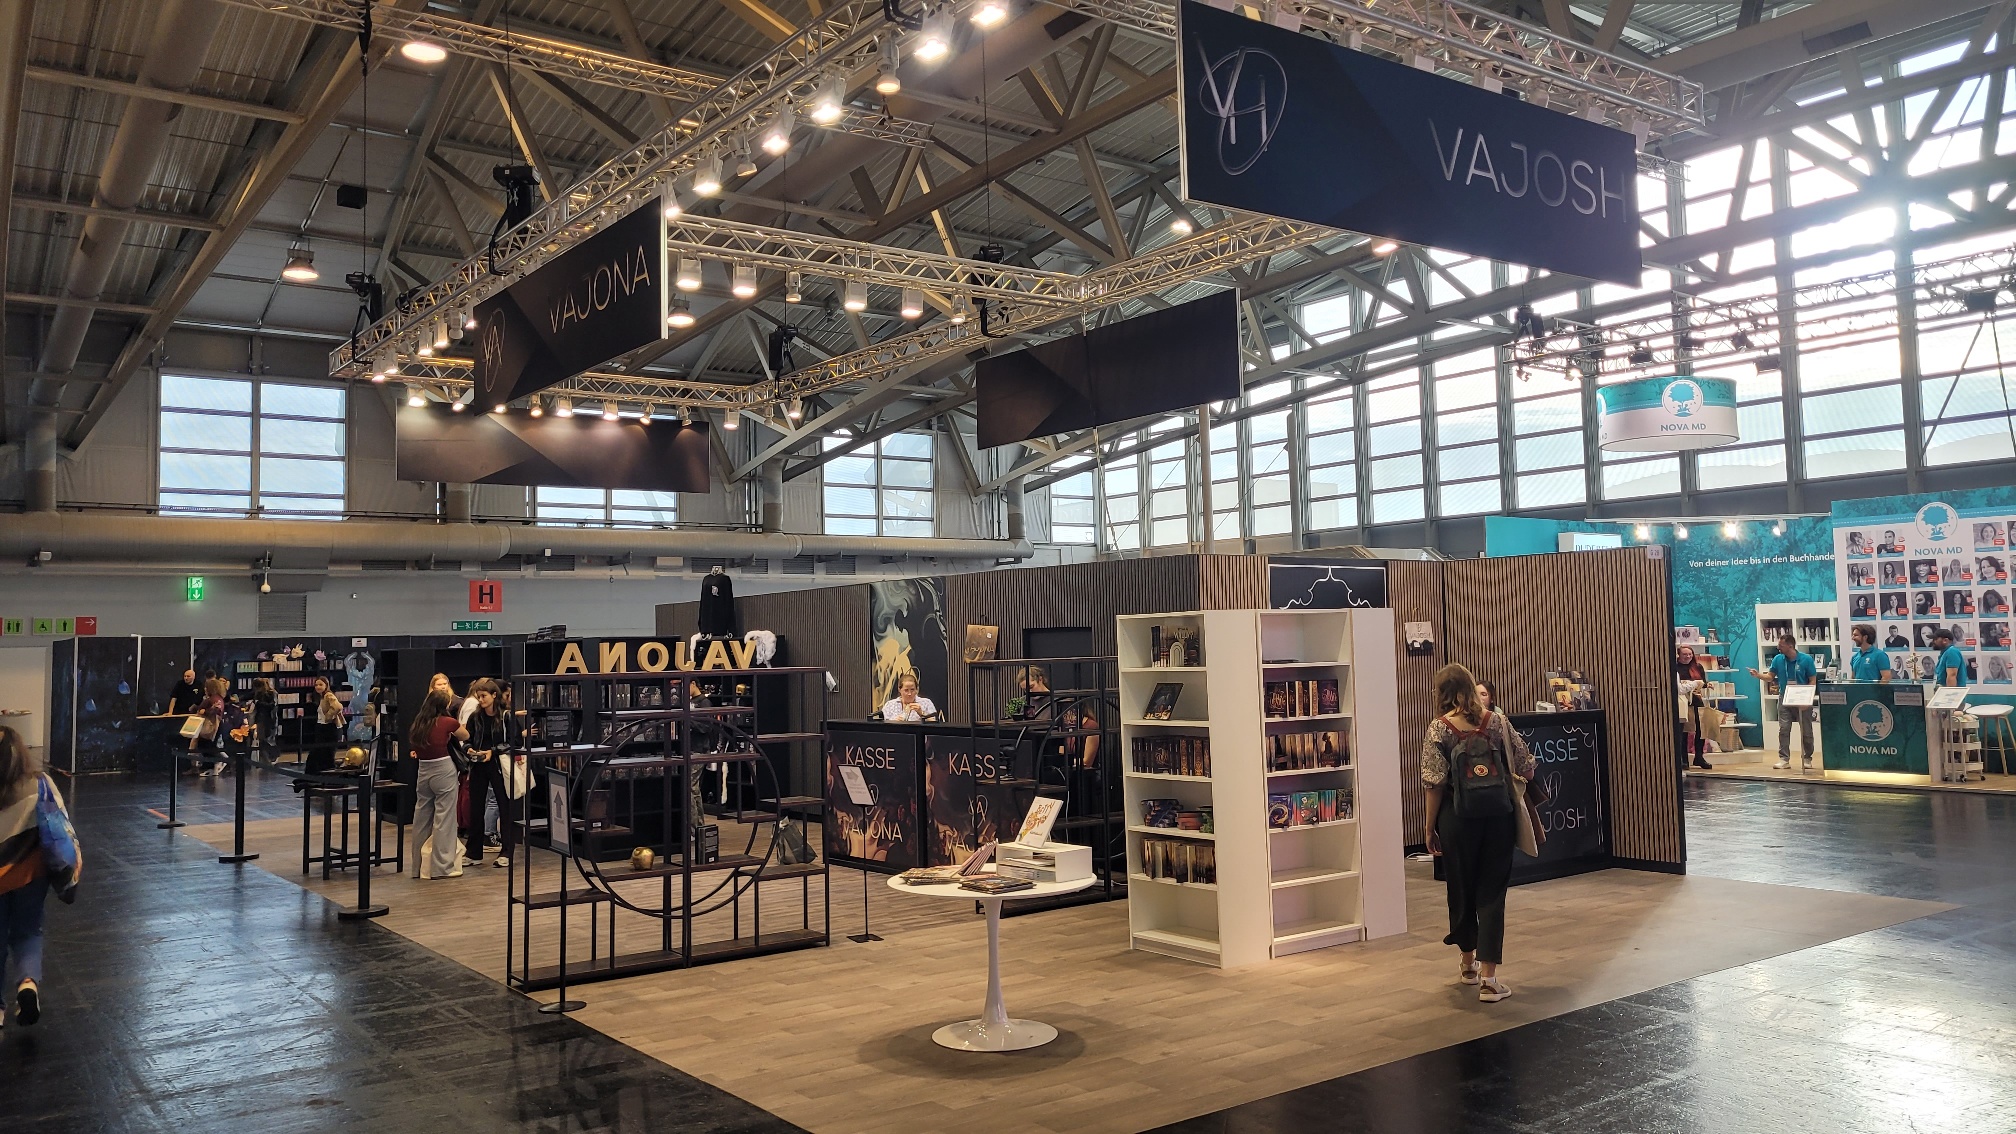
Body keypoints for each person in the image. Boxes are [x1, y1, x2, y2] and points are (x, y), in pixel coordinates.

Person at [1421, 663, 1535, 1004]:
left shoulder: (1439, 728)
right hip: (1497, 817)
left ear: (1441, 693)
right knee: (1492, 893)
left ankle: (1468, 964)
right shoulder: (1496, 721)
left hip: (1456, 819)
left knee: (1461, 889)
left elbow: (1433, 783)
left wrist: (1429, 826)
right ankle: (1490, 979)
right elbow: (1526, 766)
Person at [0, 726, 74, 1030]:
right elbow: (61, 825)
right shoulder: (40, 783)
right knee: (28, 931)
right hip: (32, 875)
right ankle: (27, 984)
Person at [408, 689, 469, 880]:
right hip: (443, 769)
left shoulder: (418, 724)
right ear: (445, 705)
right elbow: (465, 735)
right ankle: (442, 867)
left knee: (421, 817)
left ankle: (417, 867)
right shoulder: (447, 722)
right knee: (445, 818)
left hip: (423, 770)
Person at [461, 679, 514, 868]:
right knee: (476, 808)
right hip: (478, 764)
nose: (480, 700)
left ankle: (507, 852)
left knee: (504, 806)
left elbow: (514, 742)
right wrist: (469, 749)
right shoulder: (475, 717)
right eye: (478, 696)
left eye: (483, 696)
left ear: (494, 695)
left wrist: (493, 751)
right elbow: (467, 738)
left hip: (499, 765)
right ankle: (474, 852)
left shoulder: (506, 716)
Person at [1749, 634, 1817, 772]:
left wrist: (1808, 699)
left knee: (1806, 730)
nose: (1777, 647)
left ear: (1790, 645)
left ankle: (1807, 758)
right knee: (1784, 729)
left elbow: (1812, 680)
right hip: (1784, 697)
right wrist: (1758, 675)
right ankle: (1784, 759)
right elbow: (1770, 677)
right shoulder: (1778, 659)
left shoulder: (1806, 659)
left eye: (1781, 645)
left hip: (1802, 697)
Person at [1673, 647, 1712, 770]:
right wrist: (1693, 684)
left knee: (1701, 730)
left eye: (1690, 654)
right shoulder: (1674, 668)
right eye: (1685, 654)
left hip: (1697, 701)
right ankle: (1683, 759)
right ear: (1679, 655)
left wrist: (1706, 685)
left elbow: (1703, 682)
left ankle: (1699, 757)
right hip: (1684, 703)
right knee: (1684, 731)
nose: (1688, 656)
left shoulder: (1697, 667)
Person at [301, 676, 344, 786]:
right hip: (322, 728)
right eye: (316, 685)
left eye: (321, 684)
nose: (318, 687)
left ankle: (332, 781)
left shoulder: (328, 695)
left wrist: (328, 717)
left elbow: (338, 707)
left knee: (326, 756)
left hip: (329, 729)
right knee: (318, 755)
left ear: (326, 685)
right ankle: (314, 779)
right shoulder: (321, 697)